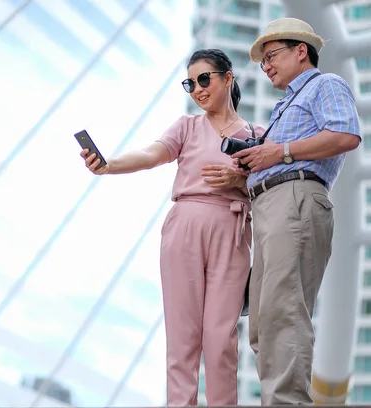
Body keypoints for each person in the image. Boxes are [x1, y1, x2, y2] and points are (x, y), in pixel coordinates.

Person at [80, 49, 266, 406]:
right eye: (189, 83)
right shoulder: (186, 127)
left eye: (204, 79)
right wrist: (109, 164)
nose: (196, 89)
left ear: (228, 77)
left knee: (220, 339)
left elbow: (268, 188)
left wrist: (237, 181)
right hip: (183, 230)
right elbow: (151, 155)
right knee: (183, 338)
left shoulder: (257, 135)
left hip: (233, 230)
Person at [231, 18, 362, 405]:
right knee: (264, 322)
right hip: (272, 206)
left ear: (300, 50)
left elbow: (345, 134)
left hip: (296, 200)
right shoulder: (282, 106)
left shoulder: (326, 85)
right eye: (262, 62)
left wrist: (279, 151)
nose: (266, 66)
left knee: (283, 315)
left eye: (271, 56)